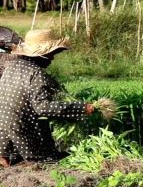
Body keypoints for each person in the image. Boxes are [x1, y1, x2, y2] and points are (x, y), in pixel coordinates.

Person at [0, 29, 95, 168]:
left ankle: (5, 155)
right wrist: (81, 108)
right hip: (22, 135)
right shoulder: (36, 73)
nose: (52, 59)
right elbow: (43, 107)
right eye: (51, 54)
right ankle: (32, 158)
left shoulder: (11, 66)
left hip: (3, 137)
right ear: (41, 55)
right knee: (53, 159)